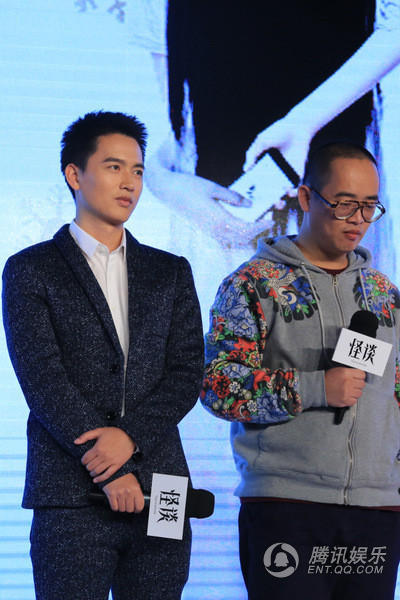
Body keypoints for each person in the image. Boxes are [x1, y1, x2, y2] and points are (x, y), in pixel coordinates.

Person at [2, 110, 204, 600]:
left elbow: (186, 373)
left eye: (137, 170)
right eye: (114, 167)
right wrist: (109, 467)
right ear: (75, 175)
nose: (129, 182)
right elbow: (43, 380)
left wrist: (129, 439)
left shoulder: (170, 271)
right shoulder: (31, 269)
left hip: (163, 486)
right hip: (70, 492)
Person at [201, 142, 400, 599]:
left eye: (369, 206)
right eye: (345, 203)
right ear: (307, 197)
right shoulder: (253, 284)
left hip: (377, 511)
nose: (358, 219)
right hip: (287, 507)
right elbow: (218, 386)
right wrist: (316, 388)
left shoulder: (384, 295)